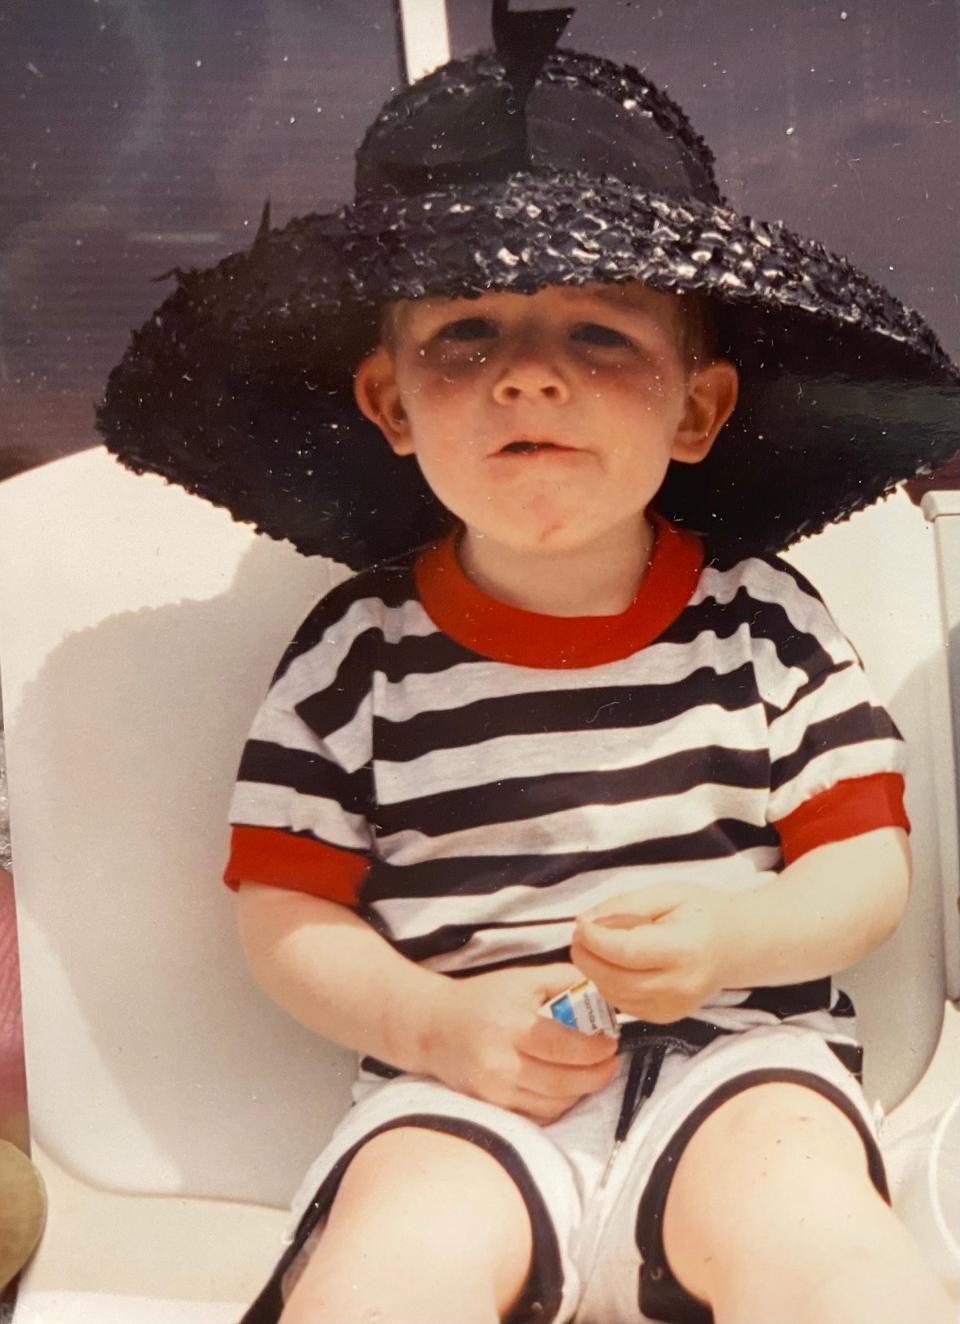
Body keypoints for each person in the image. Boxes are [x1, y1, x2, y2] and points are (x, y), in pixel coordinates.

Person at [96, 6, 960, 1321]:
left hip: (742, 1060)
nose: (528, 382)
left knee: (818, 1238)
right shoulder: (355, 661)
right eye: (466, 338)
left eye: (600, 333)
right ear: (391, 403)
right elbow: (287, 916)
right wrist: (435, 1028)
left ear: (698, 408)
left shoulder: (766, 621)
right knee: (390, 1267)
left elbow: (865, 868)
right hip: (459, 1088)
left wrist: (738, 930)